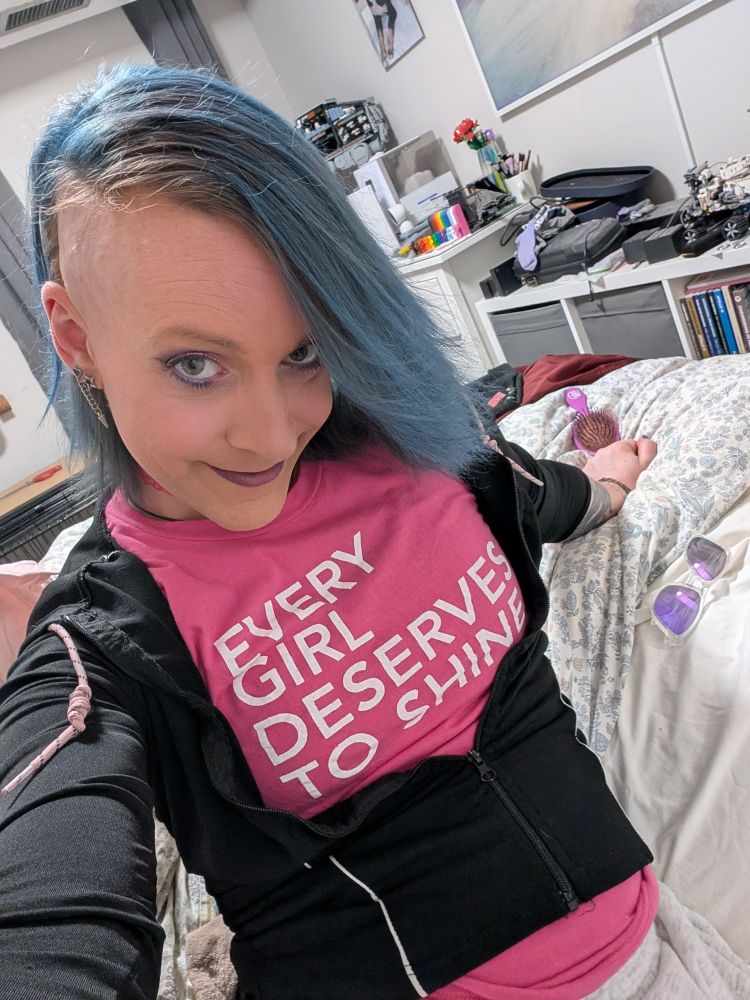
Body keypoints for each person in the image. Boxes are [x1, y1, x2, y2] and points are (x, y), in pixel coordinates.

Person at [0, 63, 747, 1000]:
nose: (272, 434)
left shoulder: (430, 447)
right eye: (196, 365)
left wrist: (602, 486)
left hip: (658, 955)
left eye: (303, 350)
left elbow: (540, 496)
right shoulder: (104, 638)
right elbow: (48, 906)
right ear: (74, 341)